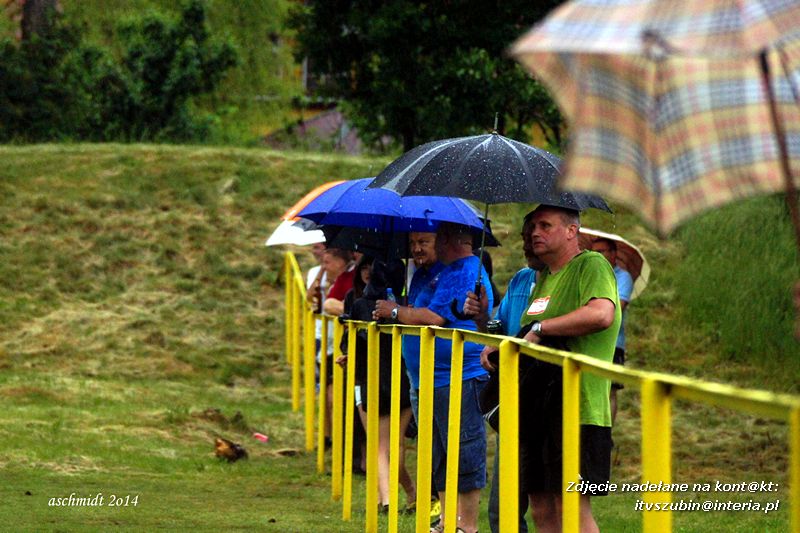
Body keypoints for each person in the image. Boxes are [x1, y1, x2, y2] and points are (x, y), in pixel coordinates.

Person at [374, 222, 493, 533]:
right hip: (425, 377)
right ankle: (447, 521)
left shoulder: (466, 270)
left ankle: (466, 526)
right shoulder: (427, 273)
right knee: (438, 451)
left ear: (448, 240)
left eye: (427, 240)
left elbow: (433, 318)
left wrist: (395, 311)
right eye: (413, 241)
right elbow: (415, 312)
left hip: (459, 376)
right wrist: (394, 312)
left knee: (463, 448)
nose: (418, 248)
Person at [519, 205, 621, 533]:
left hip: (579, 408)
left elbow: (601, 314)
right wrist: (502, 345)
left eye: (545, 225)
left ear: (571, 231)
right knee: (541, 510)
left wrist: (542, 328)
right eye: (533, 226)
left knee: (571, 510)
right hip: (539, 408)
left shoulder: (591, 265)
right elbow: (530, 330)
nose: (535, 232)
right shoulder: (545, 277)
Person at [463, 210, 545, 533]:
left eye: (535, 236)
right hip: (513, 403)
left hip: (544, 405)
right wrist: (482, 318)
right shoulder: (521, 279)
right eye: (525, 237)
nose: (528, 244)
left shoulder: (562, 280)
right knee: (502, 512)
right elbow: (500, 330)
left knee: (548, 510)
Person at [342, 256, 417, 512]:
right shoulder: (406, 306)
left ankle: (386, 499)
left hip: (372, 380)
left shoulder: (360, 305)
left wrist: (349, 356)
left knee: (379, 444)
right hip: (403, 379)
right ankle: (405, 494)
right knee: (395, 444)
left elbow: (348, 343)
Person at [591, 237, 633, 424]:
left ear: (613, 254)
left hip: (613, 342)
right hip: (589, 340)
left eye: (601, 251)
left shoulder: (622, 277)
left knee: (610, 390)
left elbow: (619, 307)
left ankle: (606, 432)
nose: (597, 256)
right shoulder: (590, 275)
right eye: (593, 252)